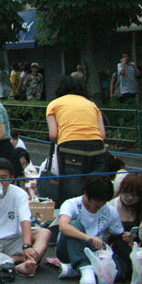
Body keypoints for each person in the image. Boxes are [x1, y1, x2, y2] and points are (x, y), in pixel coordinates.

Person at [46, 75, 109, 203]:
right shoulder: (92, 105)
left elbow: (53, 135)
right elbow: (102, 135)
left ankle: (70, 219)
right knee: (97, 188)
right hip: (97, 147)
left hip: (71, 146)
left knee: (71, 191)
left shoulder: (54, 104)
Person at [55, 176, 124, 284]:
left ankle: (74, 269)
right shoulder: (71, 204)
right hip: (68, 249)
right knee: (74, 225)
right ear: (86, 194)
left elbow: (117, 234)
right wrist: (87, 238)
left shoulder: (110, 210)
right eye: (96, 200)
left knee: (119, 271)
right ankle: (85, 267)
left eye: (103, 201)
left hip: (96, 252)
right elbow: (63, 226)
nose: (99, 204)